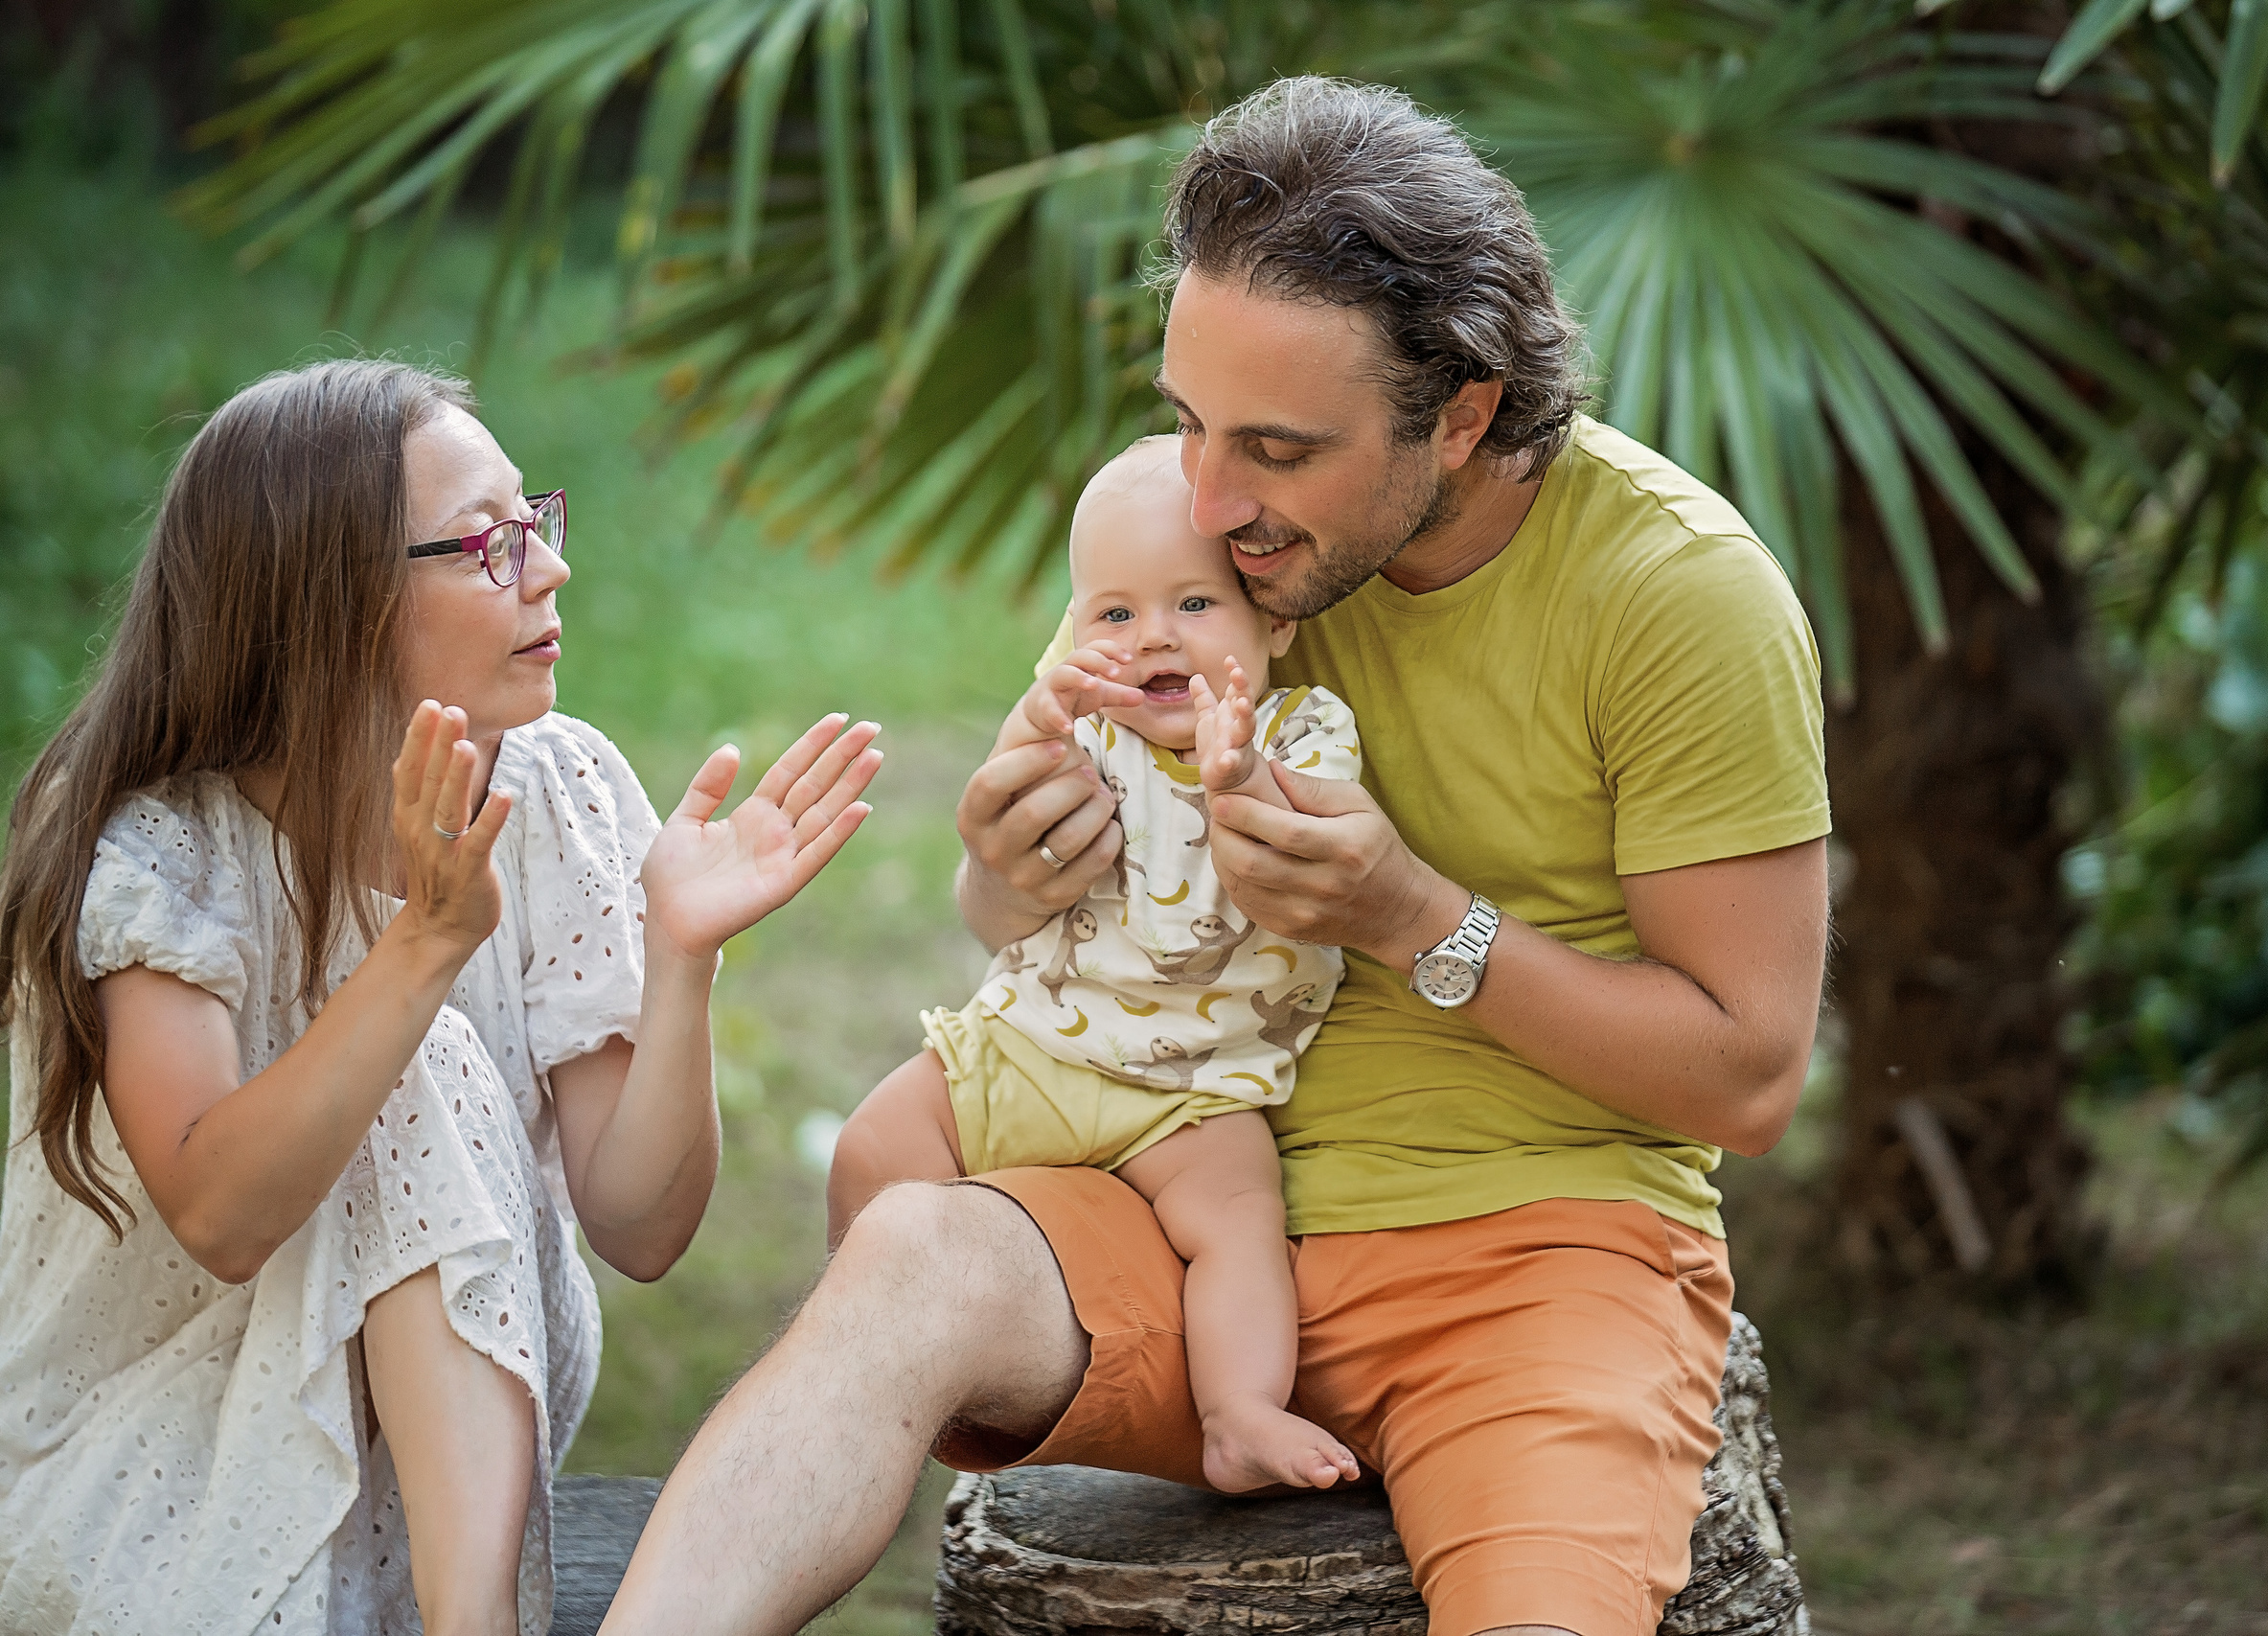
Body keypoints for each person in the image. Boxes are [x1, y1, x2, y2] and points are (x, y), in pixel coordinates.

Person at [602, 75, 1829, 1636]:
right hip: (1173, 1203)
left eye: (1275, 447)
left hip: (1538, 1261)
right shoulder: (1214, 545)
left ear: (1459, 412)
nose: (1207, 498)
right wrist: (1011, 864)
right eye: (1189, 421)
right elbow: (1043, 900)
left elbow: (1747, 1076)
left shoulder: (1682, 599)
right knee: (906, 1252)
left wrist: (1413, 916)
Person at [0, 359, 882, 1636]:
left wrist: (682, 955)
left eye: (537, 524)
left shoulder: (555, 787)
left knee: (440, 1061)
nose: (549, 570)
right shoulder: (162, 852)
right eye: (487, 545)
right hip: (162, 1454)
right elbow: (219, 1214)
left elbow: (637, 1226)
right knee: (425, 1055)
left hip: (461, 1414)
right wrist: (420, 946)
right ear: (331, 600)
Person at [826, 438, 1363, 1493]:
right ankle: (872, 1361)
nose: (1152, 636)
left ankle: (1238, 1409)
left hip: (1194, 1095)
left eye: (1195, 606)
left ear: (1276, 621)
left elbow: (1293, 870)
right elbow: (1012, 806)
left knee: (1241, 1231)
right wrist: (1038, 719)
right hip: (1029, 1045)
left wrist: (1237, 771)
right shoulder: (1090, 735)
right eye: (1113, 616)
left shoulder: (1308, 734)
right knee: (872, 1145)